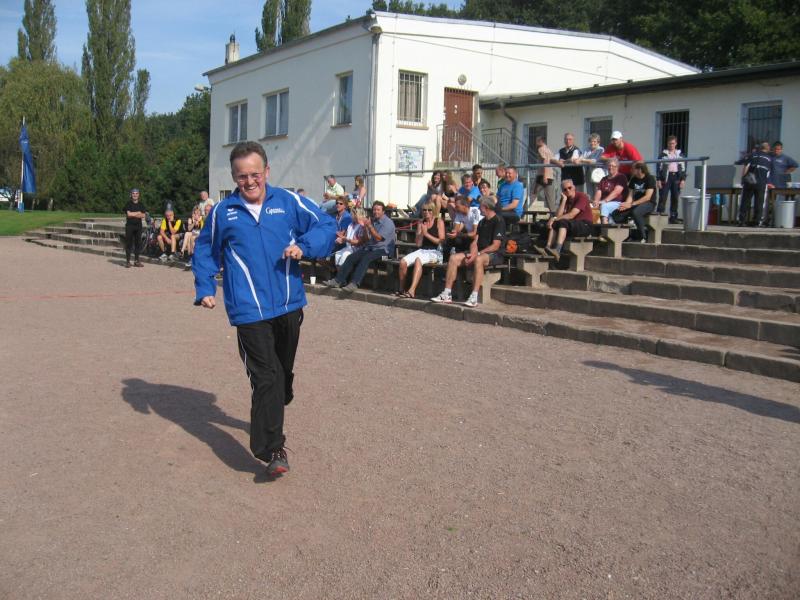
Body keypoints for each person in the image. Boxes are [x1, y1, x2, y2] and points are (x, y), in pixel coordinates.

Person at [192, 141, 336, 477]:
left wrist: (304, 246)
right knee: (266, 377)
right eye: (242, 176)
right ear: (234, 177)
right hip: (248, 310)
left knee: (280, 375)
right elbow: (205, 250)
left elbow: (326, 226)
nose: (250, 181)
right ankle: (272, 449)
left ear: (267, 172)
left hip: (288, 304)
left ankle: (282, 388)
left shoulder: (288, 202)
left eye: (255, 174)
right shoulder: (223, 212)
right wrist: (205, 288)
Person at [431, 196, 505, 308]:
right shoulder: (482, 222)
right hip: (480, 252)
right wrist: (472, 253)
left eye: (481, 207)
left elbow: (495, 246)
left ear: (486, 207)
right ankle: (447, 293)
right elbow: (475, 241)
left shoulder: (499, 221)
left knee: (478, 260)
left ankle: (474, 296)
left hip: (495, 254)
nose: (479, 209)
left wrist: (478, 254)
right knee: (453, 258)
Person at [323, 201, 396, 291]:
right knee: (351, 257)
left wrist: (369, 226)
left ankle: (354, 283)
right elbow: (366, 238)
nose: (375, 212)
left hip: (385, 252)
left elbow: (378, 239)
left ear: (383, 211)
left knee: (366, 259)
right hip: (371, 248)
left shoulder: (388, 223)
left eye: (378, 210)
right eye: (374, 210)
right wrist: (365, 227)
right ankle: (338, 280)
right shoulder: (373, 221)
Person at [396, 202, 444, 298]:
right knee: (403, 262)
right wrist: (421, 233)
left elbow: (441, 240)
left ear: (433, 211)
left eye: (429, 210)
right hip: (423, 250)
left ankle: (412, 290)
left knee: (418, 260)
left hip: (436, 251)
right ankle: (401, 289)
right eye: (424, 210)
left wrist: (426, 234)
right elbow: (418, 244)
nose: (427, 212)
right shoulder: (421, 222)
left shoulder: (439, 221)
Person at [545, 179, 593, 260]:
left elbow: (571, 215)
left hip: (585, 225)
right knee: (555, 223)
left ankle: (557, 250)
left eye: (569, 188)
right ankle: (547, 247)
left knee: (562, 222)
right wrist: (563, 201)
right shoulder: (565, 198)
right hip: (573, 224)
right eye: (565, 189)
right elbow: (559, 215)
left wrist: (554, 218)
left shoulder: (581, 196)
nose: (567, 190)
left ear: (574, 187)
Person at [612, 161, 656, 241]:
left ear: (639, 169)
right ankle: (627, 235)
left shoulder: (650, 178)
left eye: (633, 168)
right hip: (635, 204)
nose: (631, 170)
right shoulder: (633, 180)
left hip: (649, 203)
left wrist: (632, 204)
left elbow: (647, 197)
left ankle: (643, 236)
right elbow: (630, 196)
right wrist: (626, 204)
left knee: (636, 212)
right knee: (617, 213)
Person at [738, 141, 772, 227]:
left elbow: (746, 167)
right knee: (759, 202)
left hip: (750, 180)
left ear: (760, 148)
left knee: (745, 201)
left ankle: (742, 221)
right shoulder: (769, 159)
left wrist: (743, 179)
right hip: (761, 182)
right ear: (768, 148)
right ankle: (756, 222)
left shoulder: (752, 155)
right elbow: (769, 172)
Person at [656, 135, 686, 224]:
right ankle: (659, 217)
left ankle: (673, 217)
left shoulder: (680, 155)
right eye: (669, 143)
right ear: (667, 144)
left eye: (673, 143)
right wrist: (658, 179)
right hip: (666, 177)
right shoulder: (663, 155)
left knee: (675, 197)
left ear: (676, 144)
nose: (671, 145)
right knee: (663, 197)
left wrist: (683, 179)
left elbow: (684, 168)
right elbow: (658, 168)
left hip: (676, 176)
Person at [594, 158, 628, 224]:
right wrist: (596, 201)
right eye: (609, 165)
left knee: (604, 206)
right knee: (592, 207)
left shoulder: (621, 177)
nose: (610, 167)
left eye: (613, 166)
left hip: (617, 202)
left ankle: (605, 225)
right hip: (604, 202)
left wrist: (604, 201)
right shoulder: (604, 179)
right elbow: (599, 192)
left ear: (617, 167)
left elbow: (616, 192)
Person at [770, 141, 798, 209]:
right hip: (772, 183)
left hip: (782, 183)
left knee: (785, 200)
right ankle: (771, 212)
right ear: (773, 149)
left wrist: (787, 171)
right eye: (775, 149)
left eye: (778, 149)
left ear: (781, 149)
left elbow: (795, 165)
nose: (776, 151)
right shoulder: (770, 157)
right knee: (771, 201)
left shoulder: (785, 158)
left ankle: (783, 211)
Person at [576, 133, 605, 199]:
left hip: (597, 173)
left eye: (594, 141)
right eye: (591, 141)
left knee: (597, 191)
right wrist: (578, 160)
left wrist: (583, 160)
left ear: (598, 142)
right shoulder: (587, 149)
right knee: (589, 192)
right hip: (588, 172)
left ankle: (597, 204)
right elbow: (581, 157)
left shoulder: (601, 149)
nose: (592, 143)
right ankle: (591, 204)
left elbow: (594, 161)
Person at [123, 188, 146, 268]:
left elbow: (143, 215)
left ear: (138, 195)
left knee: (138, 243)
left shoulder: (141, 204)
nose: (135, 195)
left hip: (138, 226)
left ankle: (136, 261)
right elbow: (128, 214)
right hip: (129, 226)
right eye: (133, 193)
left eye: (136, 193)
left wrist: (133, 214)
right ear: (131, 195)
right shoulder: (128, 204)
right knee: (128, 243)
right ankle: (128, 261)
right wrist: (138, 213)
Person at [533, 136, 557, 212]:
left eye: (537, 141)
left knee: (532, 194)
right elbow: (552, 160)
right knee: (550, 198)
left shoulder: (541, 149)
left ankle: (521, 213)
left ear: (541, 141)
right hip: (549, 176)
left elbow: (545, 161)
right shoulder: (548, 150)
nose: (536, 143)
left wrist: (545, 176)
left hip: (542, 175)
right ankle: (553, 215)